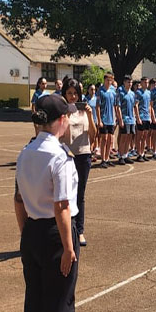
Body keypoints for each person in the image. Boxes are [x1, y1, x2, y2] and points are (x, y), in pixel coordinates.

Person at [15, 94, 80, 312]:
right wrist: (68, 247)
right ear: (61, 120)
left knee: (36, 309)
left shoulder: (26, 152)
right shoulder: (59, 155)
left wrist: (27, 234)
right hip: (56, 234)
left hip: (32, 231)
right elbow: (62, 205)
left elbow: (18, 200)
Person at [61, 78, 96, 248]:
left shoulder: (84, 111)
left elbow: (93, 135)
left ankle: (79, 230)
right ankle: (66, 229)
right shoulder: (61, 112)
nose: (73, 97)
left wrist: (90, 114)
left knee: (80, 194)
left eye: (75, 93)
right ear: (64, 94)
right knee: (65, 194)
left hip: (83, 154)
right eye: (69, 93)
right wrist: (65, 116)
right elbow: (59, 134)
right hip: (67, 155)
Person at [95, 73, 117, 169]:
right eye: (108, 80)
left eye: (111, 80)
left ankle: (107, 158)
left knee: (110, 139)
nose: (109, 82)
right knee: (104, 139)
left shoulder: (113, 91)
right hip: (104, 119)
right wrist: (99, 120)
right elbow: (98, 106)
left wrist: (116, 117)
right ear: (104, 80)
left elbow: (115, 105)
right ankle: (103, 159)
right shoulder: (101, 91)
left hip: (111, 119)